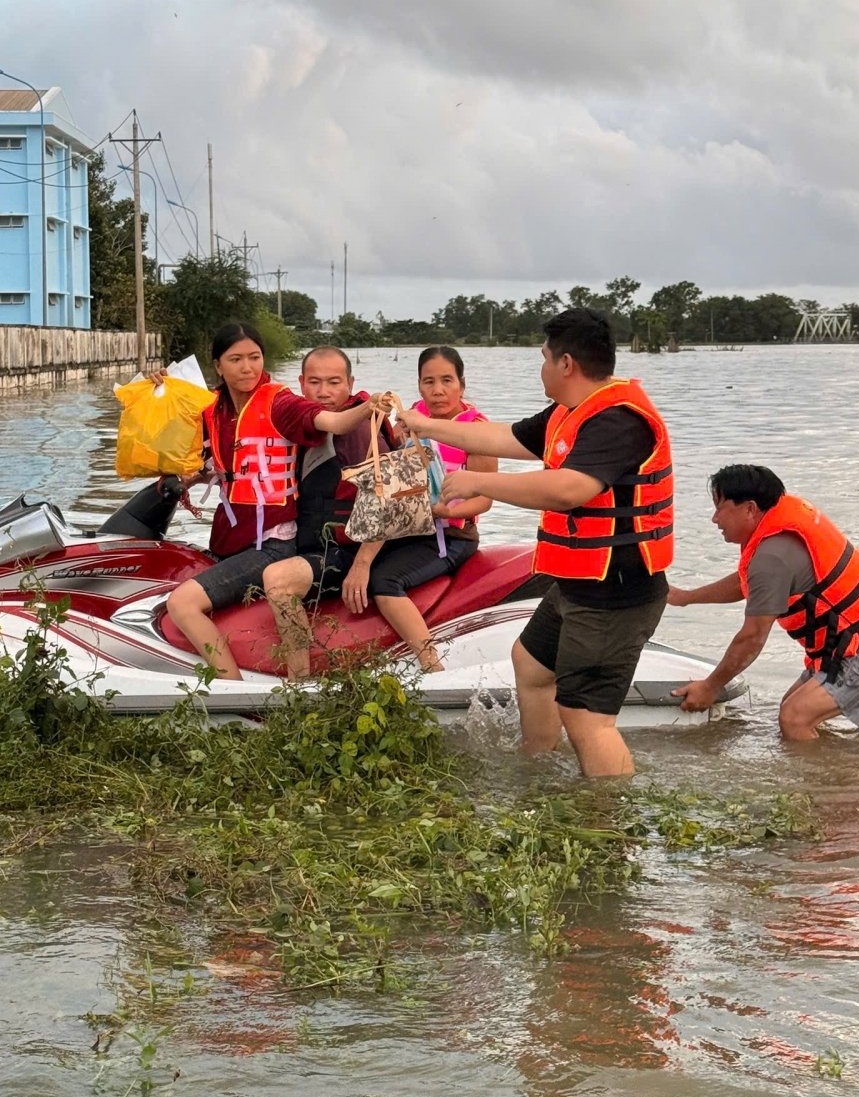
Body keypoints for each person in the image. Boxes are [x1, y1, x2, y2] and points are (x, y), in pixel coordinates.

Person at [405, 309, 673, 776]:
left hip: (616, 590)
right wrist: (425, 426)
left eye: (545, 358)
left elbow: (569, 489)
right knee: (530, 665)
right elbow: (503, 436)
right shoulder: (569, 413)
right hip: (577, 581)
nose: (542, 367)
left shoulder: (618, 420)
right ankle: (541, 772)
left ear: (566, 363)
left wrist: (481, 483)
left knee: (587, 717)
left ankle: (609, 821)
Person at [164, 323, 382, 679]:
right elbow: (215, 462)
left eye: (255, 357)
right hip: (232, 538)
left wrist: (369, 408)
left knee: (182, 603)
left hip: (272, 543)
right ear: (217, 366)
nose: (247, 367)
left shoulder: (280, 403)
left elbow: (334, 422)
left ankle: (243, 691)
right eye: (236, 359)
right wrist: (162, 390)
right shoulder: (215, 410)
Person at [667, 464, 859, 738]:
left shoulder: (772, 557)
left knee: (794, 718)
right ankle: (840, 766)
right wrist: (685, 598)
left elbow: (752, 637)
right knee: (790, 708)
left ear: (749, 508)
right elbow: (747, 583)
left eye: (719, 508)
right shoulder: (775, 536)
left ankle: (827, 780)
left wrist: (711, 686)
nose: (714, 519)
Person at [359, 345, 495, 672]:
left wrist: (444, 511)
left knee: (383, 580)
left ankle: (432, 667)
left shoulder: (476, 430)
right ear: (419, 385)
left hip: (452, 536)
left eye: (447, 380)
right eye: (428, 382)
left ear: (461, 384)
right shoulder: (411, 417)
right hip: (410, 530)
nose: (438, 391)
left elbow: (485, 500)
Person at [262, 345, 396, 678]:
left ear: (350, 384)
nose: (324, 393)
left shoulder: (360, 431)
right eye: (315, 382)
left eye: (334, 383)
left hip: (346, 552)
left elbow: (389, 501)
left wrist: (362, 566)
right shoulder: (299, 426)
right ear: (300, 384)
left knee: (277, 581)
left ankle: (299, 684)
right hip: (309, 545)